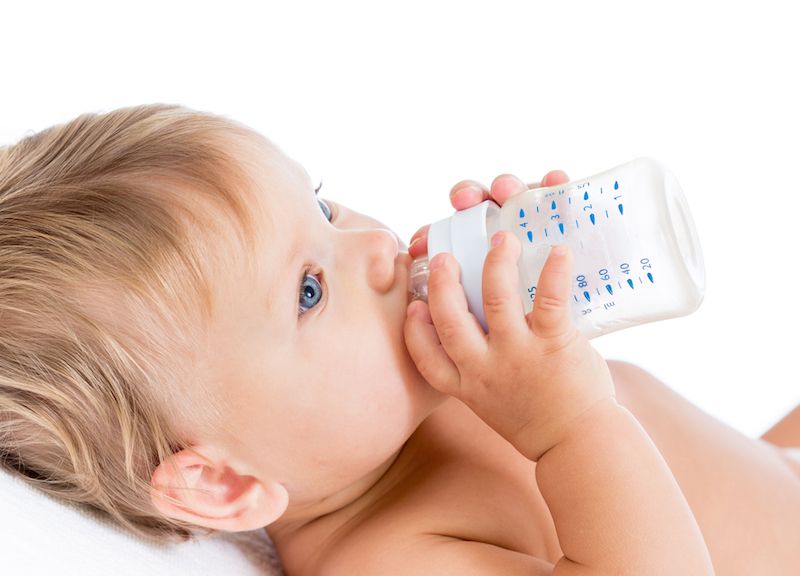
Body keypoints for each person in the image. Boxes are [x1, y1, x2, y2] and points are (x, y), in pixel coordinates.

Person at [0, 104, 798, 575]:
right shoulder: (391, 555)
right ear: (222, 485)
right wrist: (572, 425)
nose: (377, 248)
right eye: (309, 290)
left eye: (322, 207)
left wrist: (564, 264)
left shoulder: (421, 401)